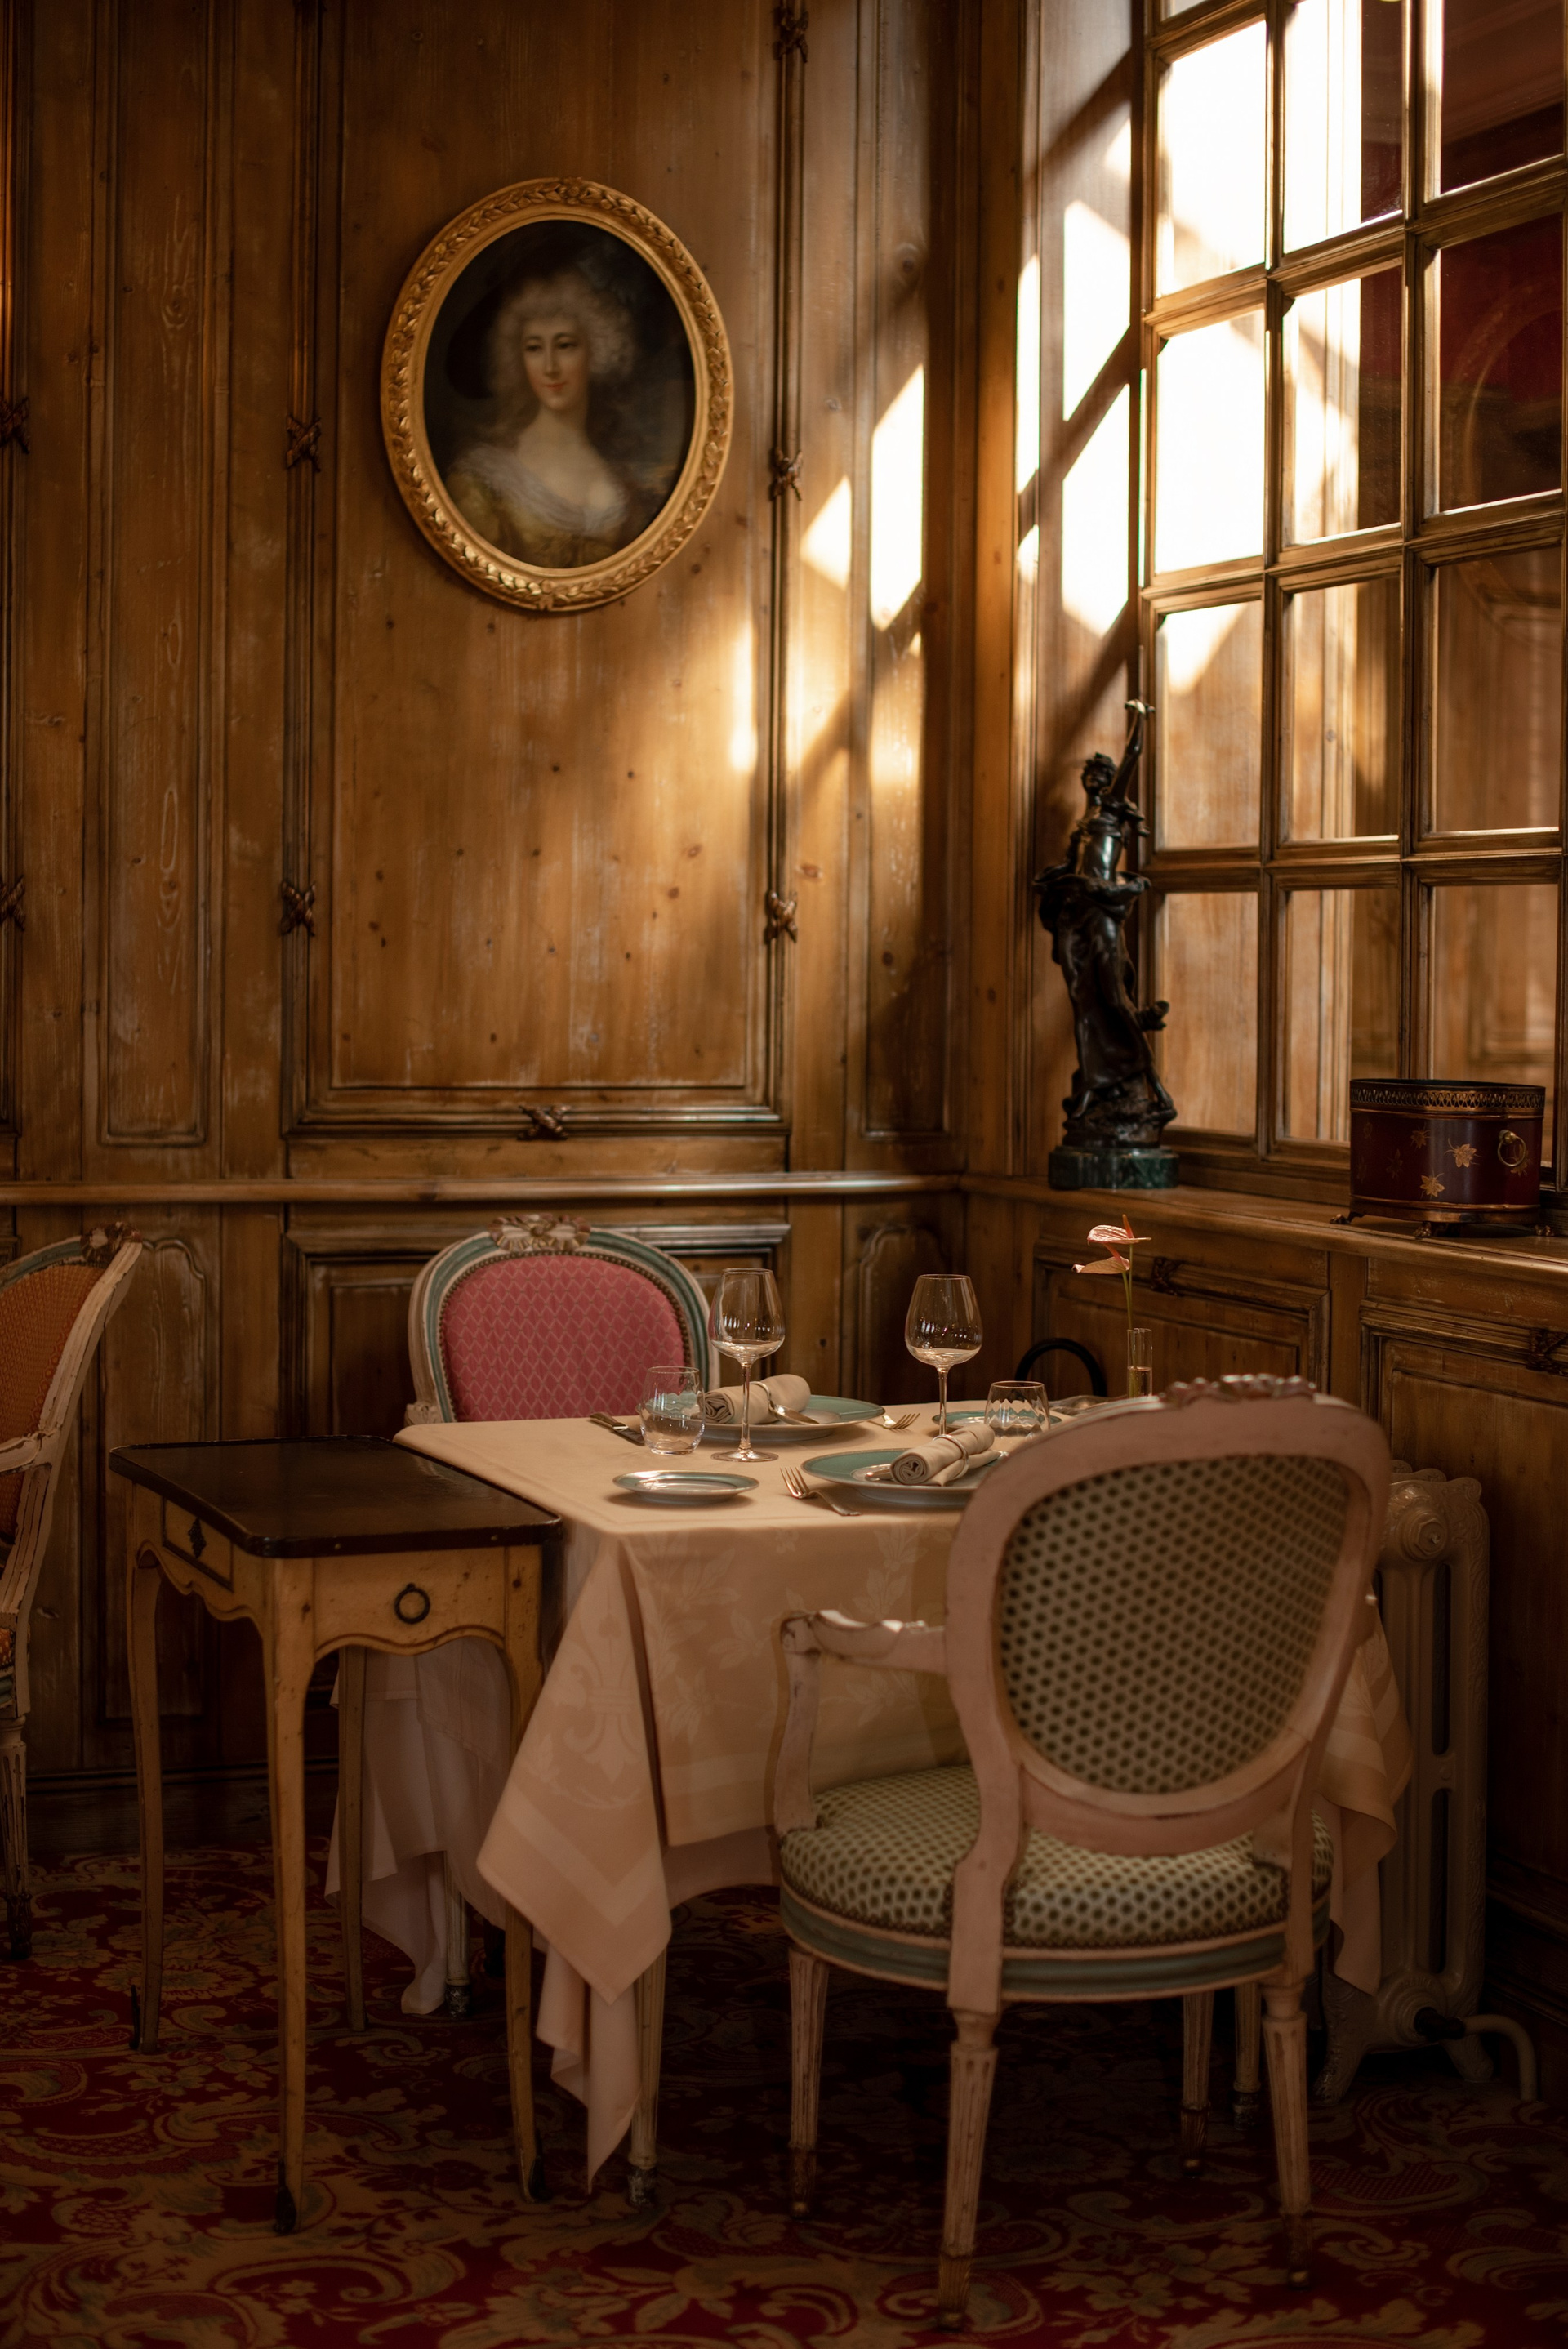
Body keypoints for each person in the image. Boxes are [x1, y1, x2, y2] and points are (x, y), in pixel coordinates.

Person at [445, 265, 661, 568]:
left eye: (565, 346)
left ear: (596, 352)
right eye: (534, 348)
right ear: (518, 359)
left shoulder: (623, 487)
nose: (550, 367)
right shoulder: (484, 478)